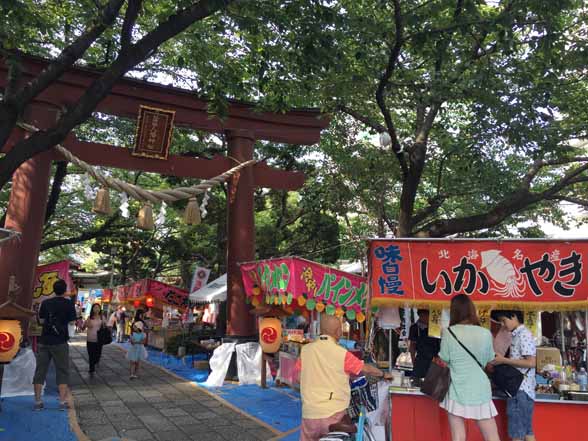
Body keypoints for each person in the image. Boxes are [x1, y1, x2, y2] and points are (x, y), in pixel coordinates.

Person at [296, 314, 393, 441]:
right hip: (334, 413)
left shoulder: (306, 350)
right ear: (337, 331)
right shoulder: (341, 353)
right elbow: (366, 369)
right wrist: (383, 374)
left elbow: (298, 377)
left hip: (309, 414)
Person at [439, 294, 500, 441]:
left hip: (456, 389)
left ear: (453, 311)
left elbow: (444, 359)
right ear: (472, 310)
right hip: (480, 389)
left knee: (458, 436)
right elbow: (489, 360)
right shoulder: (485, 333)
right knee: (492, 436)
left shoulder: (448, 333)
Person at [492, 310, 537, 441]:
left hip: (520, 390)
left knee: (517, 435)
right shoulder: (519, 334)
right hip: (523, 390)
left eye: (504, 321)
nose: (503, 325)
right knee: (528, 431)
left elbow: (531, 362)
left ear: (514, 316)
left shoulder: (523, 335)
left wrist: (504, 360)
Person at [33, 279, 77, 411]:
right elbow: (72, 322)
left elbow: (41, 320)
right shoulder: (69, 304)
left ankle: (38, 401)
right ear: (64, 290)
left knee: (40, 370)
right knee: (62, 371)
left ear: (53, 289)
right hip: (60, 342)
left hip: (44, 341)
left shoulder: (45, 303)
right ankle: (62, 402)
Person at [409, 309, 441, 378]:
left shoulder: (435, 327)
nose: (426, 318)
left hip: (434, 361)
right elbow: (412, 346)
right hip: (420, 360)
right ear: (420, 315)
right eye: (424, 316)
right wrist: (413, 359)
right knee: (417, 382)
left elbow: (439, 343)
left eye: (428, 316)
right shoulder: (414, 328)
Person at [84, 303, 106, 375]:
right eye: (95, 308)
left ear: (100, 309)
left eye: (98, 308)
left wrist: (104, 325)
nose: (96, 309)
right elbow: (87, 326)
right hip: (90, 339)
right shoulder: (89, 317)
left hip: (99, 339)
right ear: (92, 309)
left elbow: (105, 326)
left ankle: (95, 362)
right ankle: (91, 368)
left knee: (98, 354)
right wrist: (87, 322)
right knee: (91, 354)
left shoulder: (102, 317)